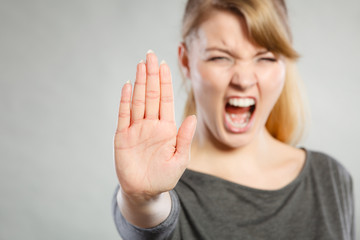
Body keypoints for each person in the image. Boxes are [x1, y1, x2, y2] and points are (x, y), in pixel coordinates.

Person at [112, 0, 355, 239]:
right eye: (221, 57)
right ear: (186, 61)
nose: (244, 79)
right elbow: (147, 218)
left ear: (284, 64)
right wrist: (141, 200)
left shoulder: (331, 179)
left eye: (266, 57)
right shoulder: (159, 186)